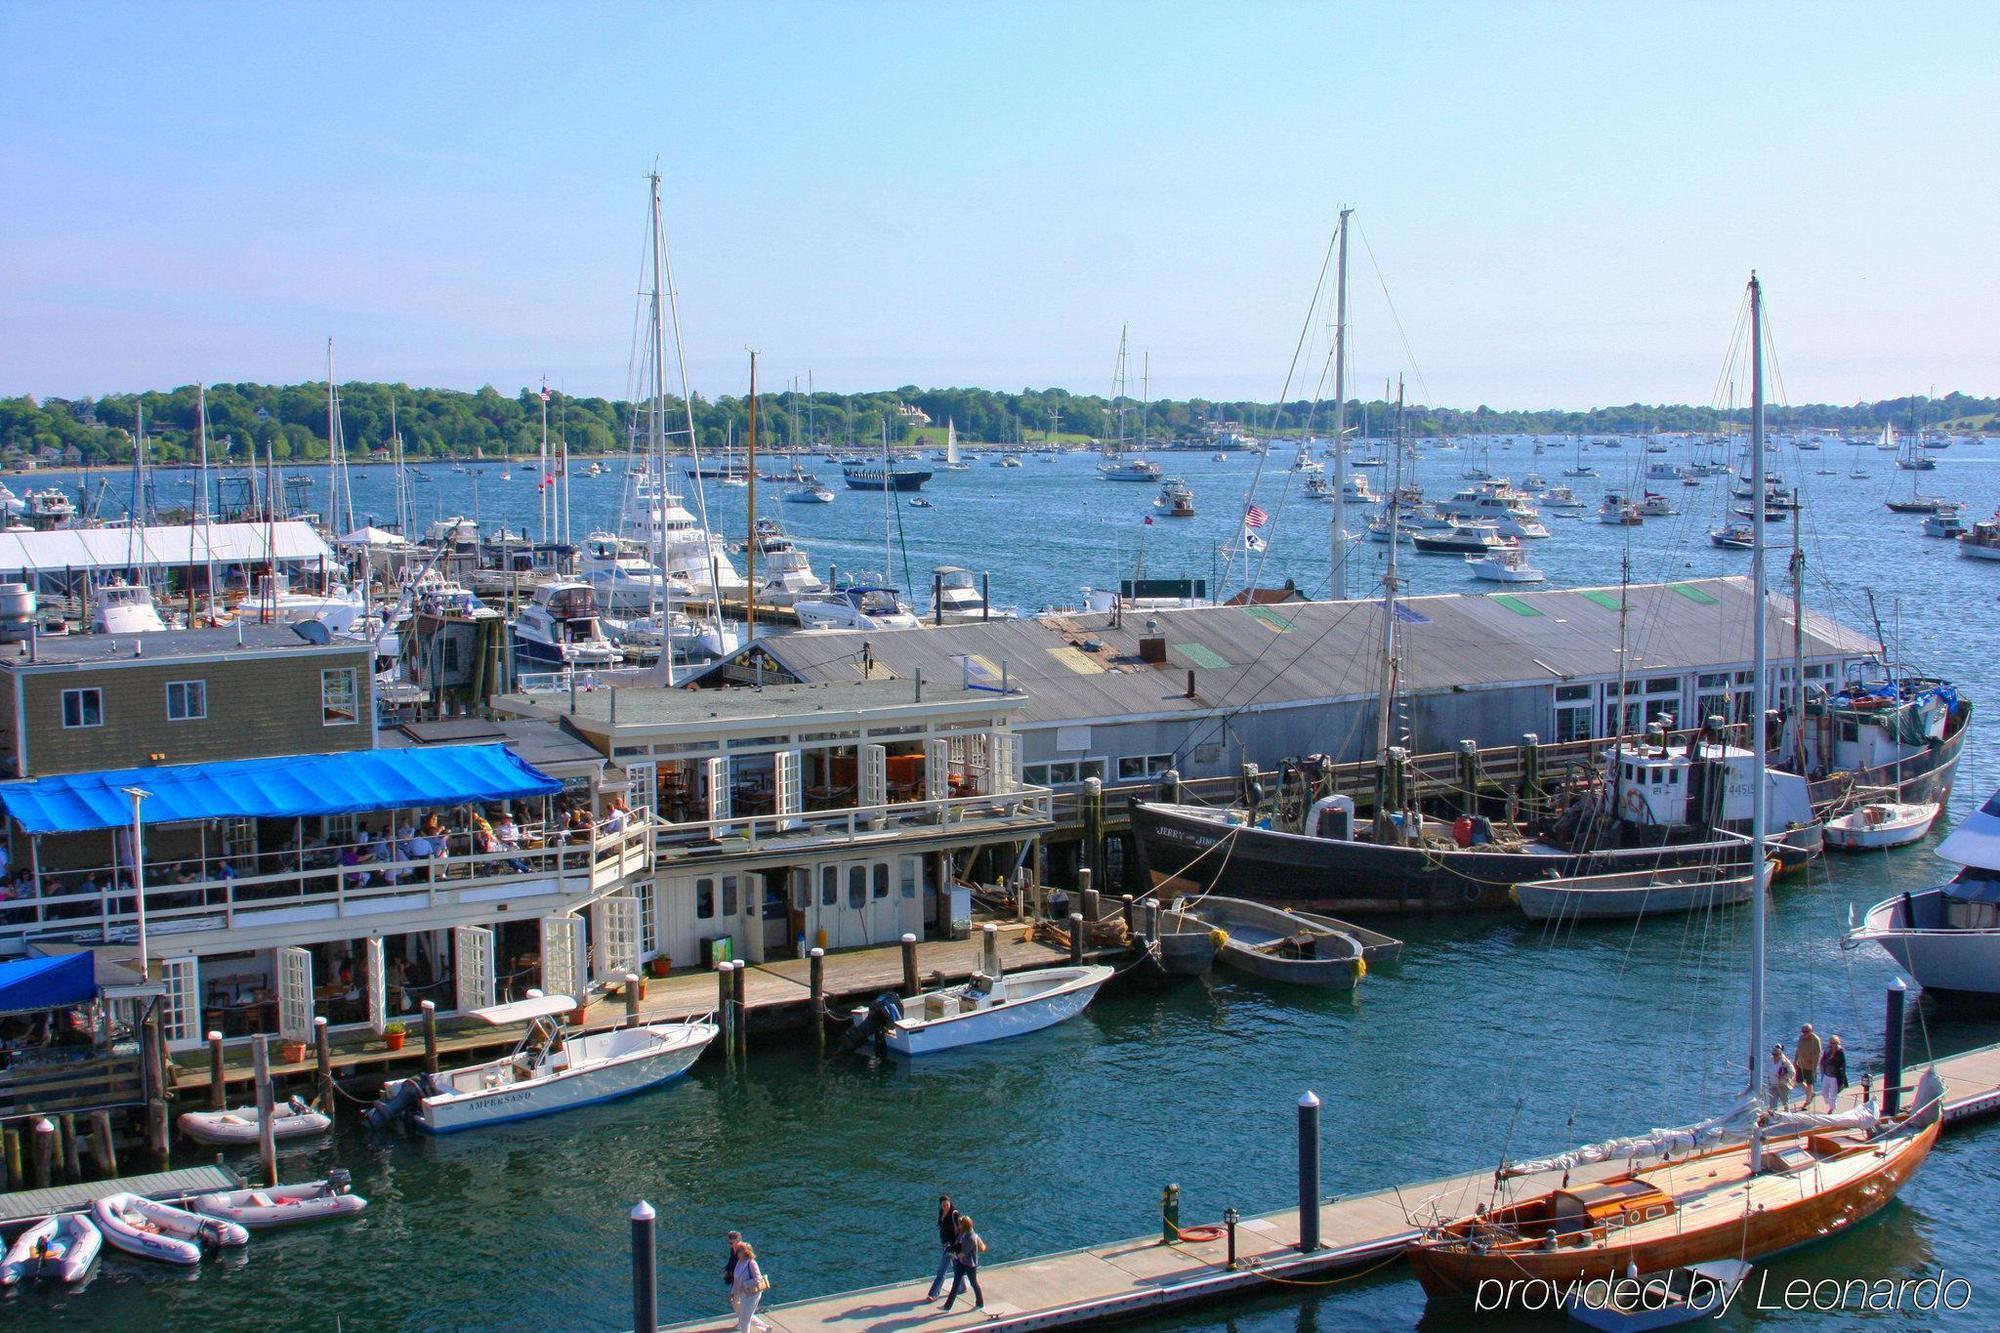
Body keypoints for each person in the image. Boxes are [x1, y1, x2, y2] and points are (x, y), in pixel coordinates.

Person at [939, 1213, 985, 1312]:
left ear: (965, 1225)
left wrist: (952, 1254)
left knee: (973, 1283)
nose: (958, 1225)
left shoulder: (971, 1238)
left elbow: (962, 1253)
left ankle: (980, 1303)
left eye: (960, 1224)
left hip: (969, 1264)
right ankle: (947, 1306)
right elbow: (957, 1244)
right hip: (961, 1262)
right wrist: (951, 1247)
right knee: (955, 1284)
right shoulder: (962, 1233)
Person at [924, 1194, 962, 1301]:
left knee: (941, 1271)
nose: (945, 1207)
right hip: (945, 1245)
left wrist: (954, 1245)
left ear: (950, 1203)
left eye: (947, 1205)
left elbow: (959, 1231)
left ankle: (933, 1294)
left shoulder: (955, 1214)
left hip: (952, 1247)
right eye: (943, 1205)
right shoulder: (941, 1212)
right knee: (957, 1268)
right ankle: (962, 1287)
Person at [731, 1239, 770, 1332]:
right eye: (737, 1251)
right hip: (742, 1295)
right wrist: (733, 1293)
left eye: (739, 1251)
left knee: (745, 1318)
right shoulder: (739, 1263)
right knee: (744, 1315)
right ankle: (765, 1328)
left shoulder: (751, 1263)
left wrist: (745, 1284)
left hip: (752, 1295)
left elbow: (758, 1279)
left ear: (745, 1252)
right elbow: (736, 1280)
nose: (737, 1253)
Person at [1793, 1024, 1822, 1110]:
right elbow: (1798, 1049)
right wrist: (1795, 1060)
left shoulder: (1815, 1040)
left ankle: (1807, 1101)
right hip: (1801, 1064)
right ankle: (1810, 1093)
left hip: (1810, 1066)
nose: (1804, 1033)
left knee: (1810, 1084)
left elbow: (1817, 1055)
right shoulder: (1801, 1038)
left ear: (1811, 1031)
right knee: (1799, 1081)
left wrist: (1815, 1068)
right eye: (1803, 1031)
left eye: (1806, 1031)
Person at [1819, 1034, 1848, 1112]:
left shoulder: (1840, 1052)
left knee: (1833, 1094)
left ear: (1837, 1043)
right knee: (1824, 1092)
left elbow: (1843, 1065)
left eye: (1834, 1043)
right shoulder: (1827, 1050)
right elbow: (1823, 1060)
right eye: (1830, 1043)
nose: (1832, 1045)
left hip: (1835, 1076)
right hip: (1826, 1074)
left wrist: (1842, 1080)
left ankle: (1832, 1109)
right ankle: (1830, 1103)